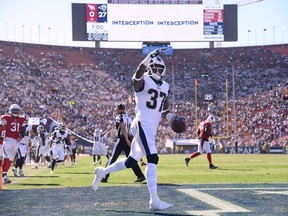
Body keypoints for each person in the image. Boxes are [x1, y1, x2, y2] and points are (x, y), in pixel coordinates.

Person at [92, 48, 183, 211]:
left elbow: (163, 110)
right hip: (141, 124)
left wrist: (172, 118)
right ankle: (154, 201)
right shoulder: (144, 80)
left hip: (151, 128)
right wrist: (149, 57)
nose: (158, 70)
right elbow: (139, 74)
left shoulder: (165, 86)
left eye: (160, 68)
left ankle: (102, 172)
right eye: (154, 67)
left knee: (131, 161)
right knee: (153, 159)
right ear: (149, 67)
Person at [100, 104, 146, 183]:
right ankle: (140, 175)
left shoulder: (119, 117)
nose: (116, 110)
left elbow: (123, 128)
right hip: (127, 138)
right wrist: (129, 139)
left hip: (122, 139)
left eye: (117, 109)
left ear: (120, 109)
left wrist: (126, 139)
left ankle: (105, 176)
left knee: (113, 158)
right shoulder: (128, 118)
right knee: (131, 158)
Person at [1, 104, 26, 184]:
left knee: (10, 159)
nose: (15, 112)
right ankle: (3, 176)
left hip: (15, 141)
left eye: (16, 110)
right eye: (14, 110)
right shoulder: (6, 117)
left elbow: (23, 130)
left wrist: (21, 135)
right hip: (7, 139)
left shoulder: (21, 119)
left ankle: (4, 174)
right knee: (6, 157)